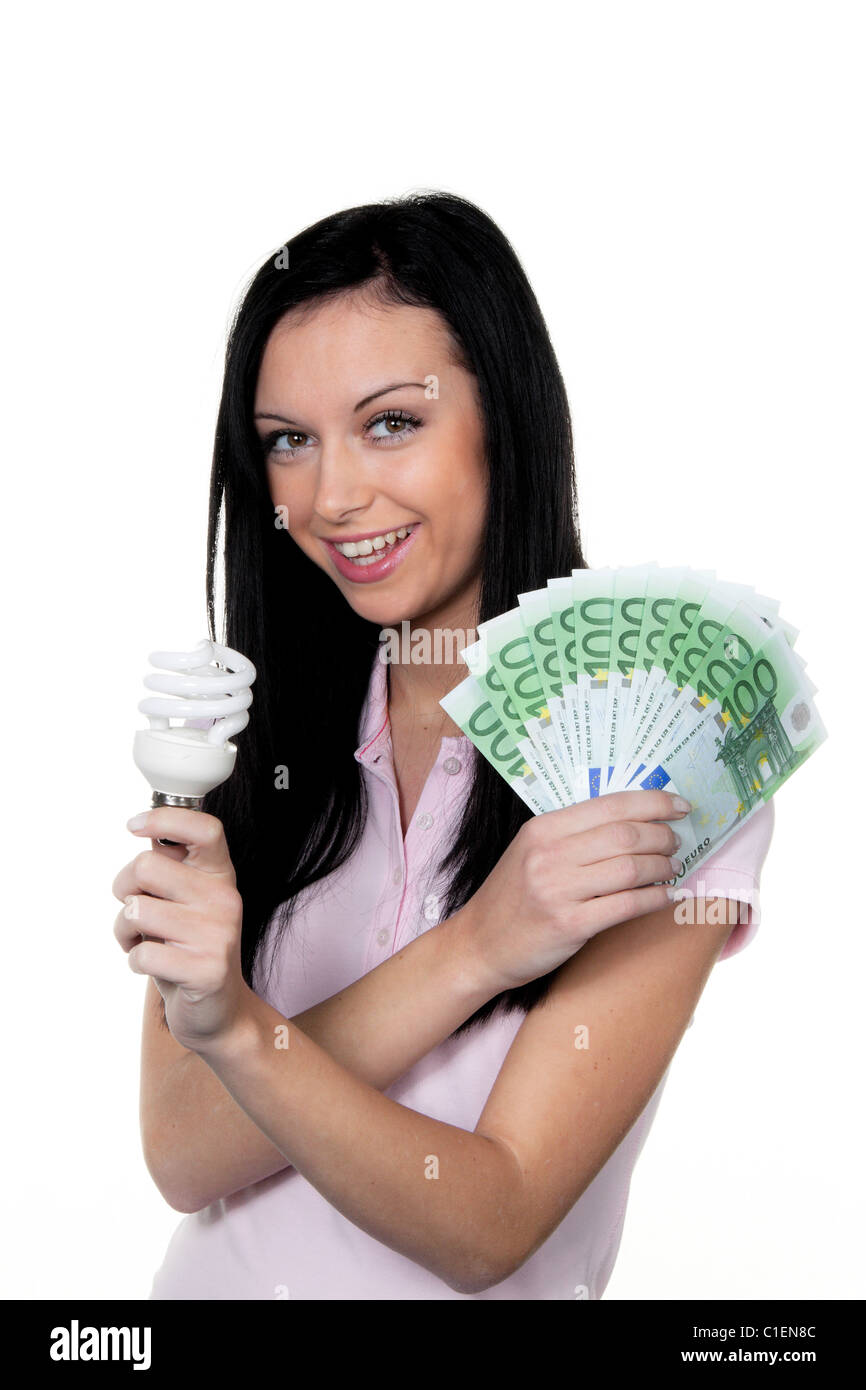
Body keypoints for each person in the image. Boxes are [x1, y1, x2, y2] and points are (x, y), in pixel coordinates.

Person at [112, 191, 774, 1300]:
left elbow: (490, 1221)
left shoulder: (662, 752)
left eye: (390, 422)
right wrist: (474, 949)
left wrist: (246, 1034)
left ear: (502, 416)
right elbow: (184, 1155)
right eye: (288, 441)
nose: (331, 496)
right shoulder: (255, 741)